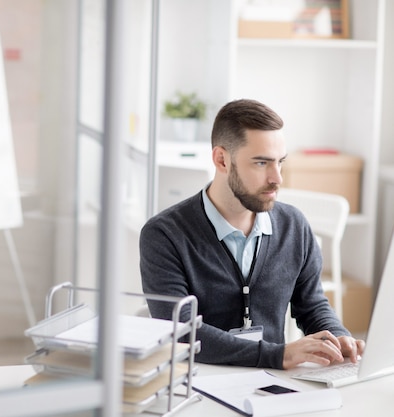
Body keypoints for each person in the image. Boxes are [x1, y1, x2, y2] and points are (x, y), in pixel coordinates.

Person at [139, 98, 365, 370]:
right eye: (261, 163)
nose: (277, 178)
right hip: (197, 384)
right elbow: (182, 332)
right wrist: (278, 355)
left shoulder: (294, 225)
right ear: (221, 159)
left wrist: (337, 337)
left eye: (280, 162)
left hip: (271, 384)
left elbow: (312, 306)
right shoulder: (163, 235)